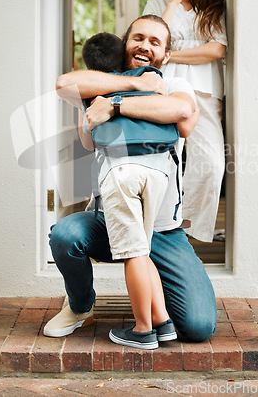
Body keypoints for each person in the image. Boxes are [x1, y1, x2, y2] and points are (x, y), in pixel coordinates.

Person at [43, 15, 217, 345]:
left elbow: (181, 114)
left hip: (163, 229)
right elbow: (64, 83)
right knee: (65, 235)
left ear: (166, 55)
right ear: (125, 44)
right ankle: (80, 305)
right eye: (138, 38)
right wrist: (132, 86)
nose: (145, 46)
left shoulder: (175, 85)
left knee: (198, 327)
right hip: (108, 218)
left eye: (155, 42)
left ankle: (155, 306)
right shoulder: (103, 86)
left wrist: (116, 106)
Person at [79, 31, 180, 349]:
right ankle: (162, 322)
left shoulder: (94, 89)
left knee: (133, 253)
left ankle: (142, 330)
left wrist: (85, 117)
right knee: (143, 249)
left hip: (121, 172)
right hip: (156, 172)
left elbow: (89, 142)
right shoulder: (150, 78)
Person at [143, 0, 228, 242]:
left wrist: (172, 55)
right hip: (164, 91)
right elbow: (155, 38)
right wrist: (173, 1)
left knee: (211, 163)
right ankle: (163, 225)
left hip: (204, 92)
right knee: (165, 158)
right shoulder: (157, 3)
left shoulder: (216, 4)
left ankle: (192, 228)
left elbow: (216, 49)